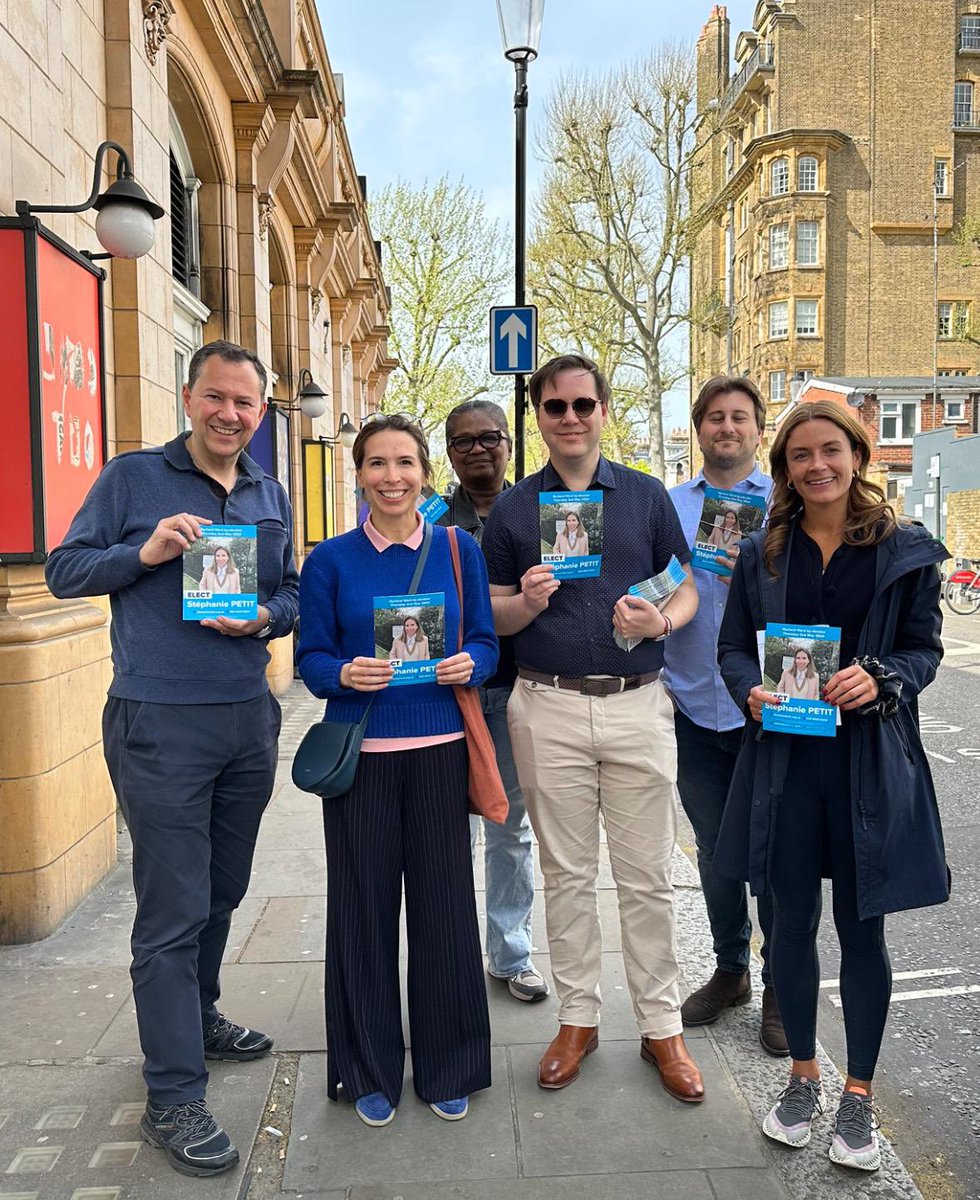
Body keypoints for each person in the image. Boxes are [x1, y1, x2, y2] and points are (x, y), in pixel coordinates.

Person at [45, 340, 299, 1178]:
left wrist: (262, 618)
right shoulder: (132, 479)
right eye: (218, 398)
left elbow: (290, 592)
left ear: (260, 414)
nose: (232, 414)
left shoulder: (269, 491)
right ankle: (173, 1094)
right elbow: (63, 571)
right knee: (171, 911)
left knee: (223, 891)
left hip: (245, 719)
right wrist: (145, 555)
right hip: (160, 721)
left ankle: (200, 1015)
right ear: (189, 398)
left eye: (247, 405)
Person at [716, 400, 949, 1173]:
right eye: (799, 456)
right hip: (786, 766)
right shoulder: (763, 553)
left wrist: (881, 677)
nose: (816, 466)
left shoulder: (905, 549)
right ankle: (802, 1078)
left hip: (866, 770)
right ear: (783, 469)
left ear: (858, 454)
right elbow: (732, 652)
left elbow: (922, 652)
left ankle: (858, 1093)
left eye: (830, 451)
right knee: (786, 923)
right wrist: (749, 690)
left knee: (862, 931)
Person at [481, 353, 705, 1103]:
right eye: (555, 407)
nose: (570, 419)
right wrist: (528, 605)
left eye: (583, 405)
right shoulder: (515, 511)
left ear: (604, 411)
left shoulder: (644, 498)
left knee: (647, 878)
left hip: (638, 701)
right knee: (566, 875)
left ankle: (660, 1027)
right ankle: (577, 1019)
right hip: (546, 706)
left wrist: (660, 617)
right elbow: (494, 613)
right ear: (538, 418)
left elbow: (687, 587)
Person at [296, 413, 498, 1129]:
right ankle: (367, 1068)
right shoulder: (328, 561)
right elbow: (309, 662)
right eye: (377, 463)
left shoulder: (455, 551)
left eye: (405, 462)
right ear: (358, 474)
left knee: (445, 914)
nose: (392, 477)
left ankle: (450, 1063)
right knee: (362, 916)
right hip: (362, 766)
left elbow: (485, 640)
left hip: (441, 753)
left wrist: (473, 660)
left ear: (424, 472)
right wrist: (345, 671)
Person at [662, 375, 786, 1056]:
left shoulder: (791, 506)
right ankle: (731, 968)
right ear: (700, 428)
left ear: (758, 430)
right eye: (714, 417)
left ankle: (779, 987)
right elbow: (654, 581)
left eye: (739, 418)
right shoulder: (670, 506)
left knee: (775, 850)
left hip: (768, 707)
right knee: (714, 848)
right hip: (690, 701)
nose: (726, 428)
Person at [437, 400, 549, 1004]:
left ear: (509, 443)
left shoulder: (538, 511)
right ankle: (450, 956)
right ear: (449, 451)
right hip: (441, 693)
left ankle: (511, 956)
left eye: (490, 438)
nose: (478, 449)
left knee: (510, 829)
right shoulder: (427, 518)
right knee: (445, 832)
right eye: (464, 442)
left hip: (513, 688)